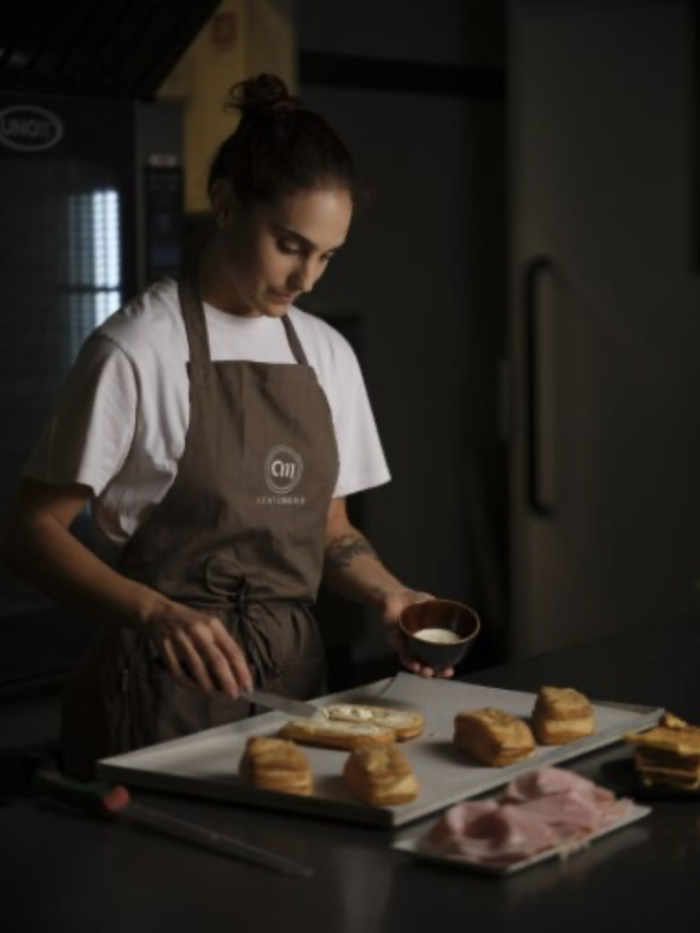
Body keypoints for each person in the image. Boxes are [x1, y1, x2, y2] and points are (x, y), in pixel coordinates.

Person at [2, 74, 453, 780]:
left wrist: (388, 591)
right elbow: (30, 535)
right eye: (290, 245)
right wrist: (156, 613)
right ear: (226, 205)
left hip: (293, 689)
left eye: (327, 255)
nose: (307, 278)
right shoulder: (137, 348)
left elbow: (329, 528)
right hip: (159, 692)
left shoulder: (326, 354)